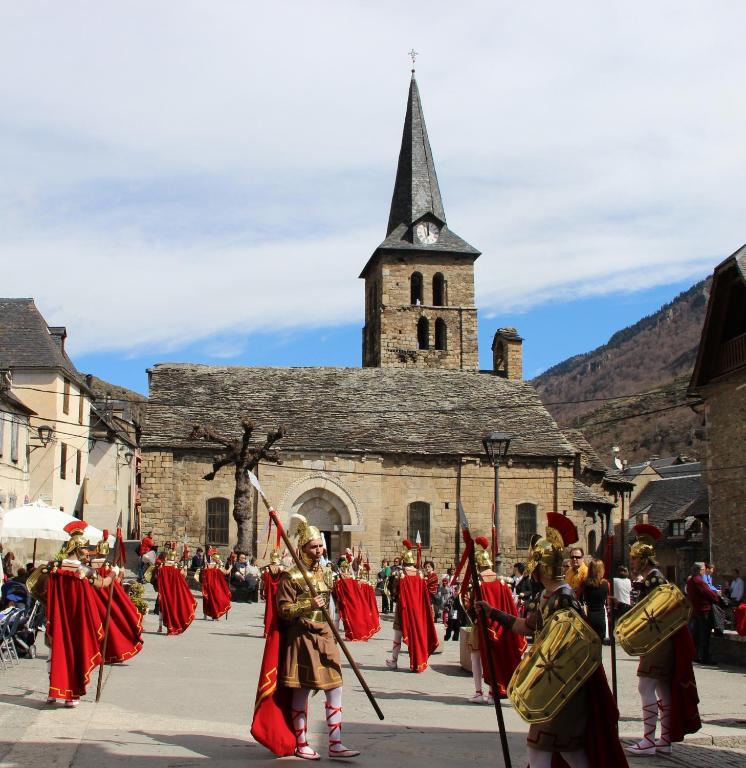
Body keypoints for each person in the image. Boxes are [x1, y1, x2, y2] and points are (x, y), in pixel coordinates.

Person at [476, 513, 627, 768]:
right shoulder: (549, 596)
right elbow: (526, 627)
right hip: (554, 689)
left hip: (563, 689)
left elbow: (575, 647)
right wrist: (493, 612)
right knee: (568, 750)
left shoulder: (564, 599)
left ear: (541, 568)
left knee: (546, 748)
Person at [250, 514, 359, 760]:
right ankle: (301, 742)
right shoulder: (292, 576)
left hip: (326, 636)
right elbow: (283, 610)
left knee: (336, 688)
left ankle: (335, 742)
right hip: (302, 637)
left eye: (321, 545)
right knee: (301, 690)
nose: (319, 550)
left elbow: (332, 605)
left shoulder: (327, 574)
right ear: (303, 548)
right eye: (313, 546)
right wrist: (307, 605)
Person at [624, 524, 701, 756]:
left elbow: (654, 614)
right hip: (661, 641)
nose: (633, 563)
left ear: (645, 560)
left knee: (645, 686)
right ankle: (664, 740)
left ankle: (649, 740)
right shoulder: (653, 579)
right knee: (662, 689)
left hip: (658, 642)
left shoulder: (653, 581)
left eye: (636, 559)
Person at [41, 521, 113, 707]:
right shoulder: (85, 571)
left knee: (55, 652)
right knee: (75, 653)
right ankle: (71, 696)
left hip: (57, 618)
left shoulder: (54, 568)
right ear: (78, 548)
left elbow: (42, 589)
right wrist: (114, 576)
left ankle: (53, 693)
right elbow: (102, 584)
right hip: (77, 620)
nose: (87, 552)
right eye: (85, 548)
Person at [462, 536, 526, 704]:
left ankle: (478, 692)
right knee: (494, 658)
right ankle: (492, 692)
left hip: (482, 625)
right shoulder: (501, 582)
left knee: (476, 657)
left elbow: (472, 605)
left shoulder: (478, 582)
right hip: (500, 626)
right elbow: (508, 606)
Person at [385, 540, 438, 672]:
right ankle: (417, 660)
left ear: (403, 560)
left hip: (403, 608)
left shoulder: (399, 574)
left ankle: (394, 660)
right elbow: (423, 594)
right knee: (416, 633)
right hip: (417, 609)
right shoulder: (420, 574)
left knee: (398, 633)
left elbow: (393, 590)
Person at [151, 545, 197, 635]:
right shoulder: (175, 568)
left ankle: (160, 627)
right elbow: (184, 575)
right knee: (171, 608)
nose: (176, 558)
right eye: (175, 557)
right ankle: (169, 625)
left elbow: (156, 576)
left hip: (164, 591)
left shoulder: (161, 567)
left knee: (162, 608)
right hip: (173, 592)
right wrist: (185, 569)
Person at [686, 562, 720, 665]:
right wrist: (717, 598)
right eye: (704, 570)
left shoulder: (691, 581)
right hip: (704, 611)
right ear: (700, 570)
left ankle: (696, 655)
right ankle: (705, 657)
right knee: (704, 635)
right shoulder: (698, 581)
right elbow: (710, 594)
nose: (705, 571)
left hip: (696, 611)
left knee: (697, 634)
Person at [200, 548, 232, 621]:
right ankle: (215, 616)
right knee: (216, 600)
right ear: (215, 559)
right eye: (218, 559)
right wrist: (230, 568)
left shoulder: (208, 566)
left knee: (208, 600)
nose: (219, 560)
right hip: (216, 586)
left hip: (208, 585)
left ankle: (205, 615)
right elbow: (226, 572)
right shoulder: (218, 566)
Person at [582, 559, 609, 641]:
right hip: (601, 615)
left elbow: (583, 598)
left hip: (589, 615)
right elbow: (607, 600)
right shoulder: (605, 584)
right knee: (599, 643)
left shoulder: (585, 584)